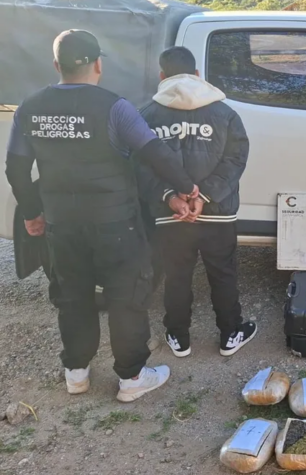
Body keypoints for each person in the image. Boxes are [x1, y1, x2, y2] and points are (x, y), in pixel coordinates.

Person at [5, 30, 201, 401]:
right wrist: (187, 188)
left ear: (57, 65)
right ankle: (131, 378)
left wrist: (32, 212)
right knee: (126, 296)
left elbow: (15, 169)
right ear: (98, 64)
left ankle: (76, 373)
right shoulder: (115, 107)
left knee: (72, 295)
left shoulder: (29, 107)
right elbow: (155, 154)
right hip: (116, 224)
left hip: (61, 224)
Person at [135, 46, 256, 358]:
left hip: (171, 215)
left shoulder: (147, 115)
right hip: (218, 212)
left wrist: (171, 197)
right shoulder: (225, 113)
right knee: (223, 274)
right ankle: (230, 334)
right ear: (198, 74)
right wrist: (204, 195)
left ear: (162, 76)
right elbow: (236, 159)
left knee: (176, 276)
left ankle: (179, 337)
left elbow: (140, 166)